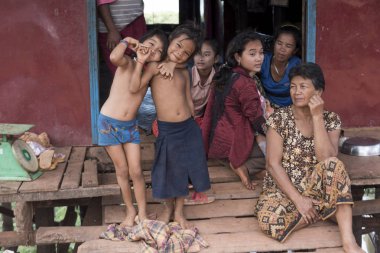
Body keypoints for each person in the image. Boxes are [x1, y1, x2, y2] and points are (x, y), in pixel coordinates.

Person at [254, 63, 364, 253]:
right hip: (284, 190)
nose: (296, 92)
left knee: (334, 165)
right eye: (293, 86)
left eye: (303, 87)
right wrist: (299, 200)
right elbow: (272, 164)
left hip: (316, 187)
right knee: (270, 223)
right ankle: (328, 210)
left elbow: (326, 158)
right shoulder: (279, 119)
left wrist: (317, 117)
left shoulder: (331, 119)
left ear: (318, 91)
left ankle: (348, 242)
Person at [130, 24, 211, 229]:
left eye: (186, 52)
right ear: (170, 41)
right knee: (167, 171)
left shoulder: (183, 70)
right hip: (168, 129)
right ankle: (167, 209)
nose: (180, 53)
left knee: (184, 170)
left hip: (188, 128)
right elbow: (135, 87)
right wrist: (141, 63)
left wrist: (175, 65)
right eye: (178, 46)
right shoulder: (155, 68)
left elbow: (188, 99)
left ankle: (179, 213)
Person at [97, 29, 168, 228]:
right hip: (108, 123)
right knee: (122, 170)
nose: (153, 50)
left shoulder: (149, 72)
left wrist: (157, 63)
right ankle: (130, 210)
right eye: (151, 44)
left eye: (159, 50)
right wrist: (127, 40)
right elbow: (113, 56)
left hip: (129, 126)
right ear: (141, 42)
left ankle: (143, 213)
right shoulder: (127, 62)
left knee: (136, 171)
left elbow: (135, 88)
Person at [202, 31, 267, 191]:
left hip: (215, 142)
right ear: (238, 57)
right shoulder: (245, 83)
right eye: (252, 54)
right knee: (280, 154)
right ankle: (243, 166)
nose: (259, 58)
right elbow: (257, 121)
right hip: (234, 144)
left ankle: (244, 165)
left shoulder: (225, 73)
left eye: (261, 53)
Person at [97, 0, 147, 74]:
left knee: (141, 66)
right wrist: (112, 30)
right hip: (113, 32)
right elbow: (101, 2)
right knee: (121, 71)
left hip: (136, 21)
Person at [260, 25, 302, 108]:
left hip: (290, 110)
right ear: (274, 43)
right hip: (267, 108)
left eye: (288, 46)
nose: (282, 49)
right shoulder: (263, 60)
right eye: (279, 43)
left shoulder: (297, 65)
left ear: (295, 50)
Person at [191, 39, 220, 126]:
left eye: (206, 54)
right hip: (182, 118)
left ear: (216, 59)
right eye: (197, 54)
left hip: (202, 119)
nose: (200, 58)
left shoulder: (219, 77)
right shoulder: (187, 75)